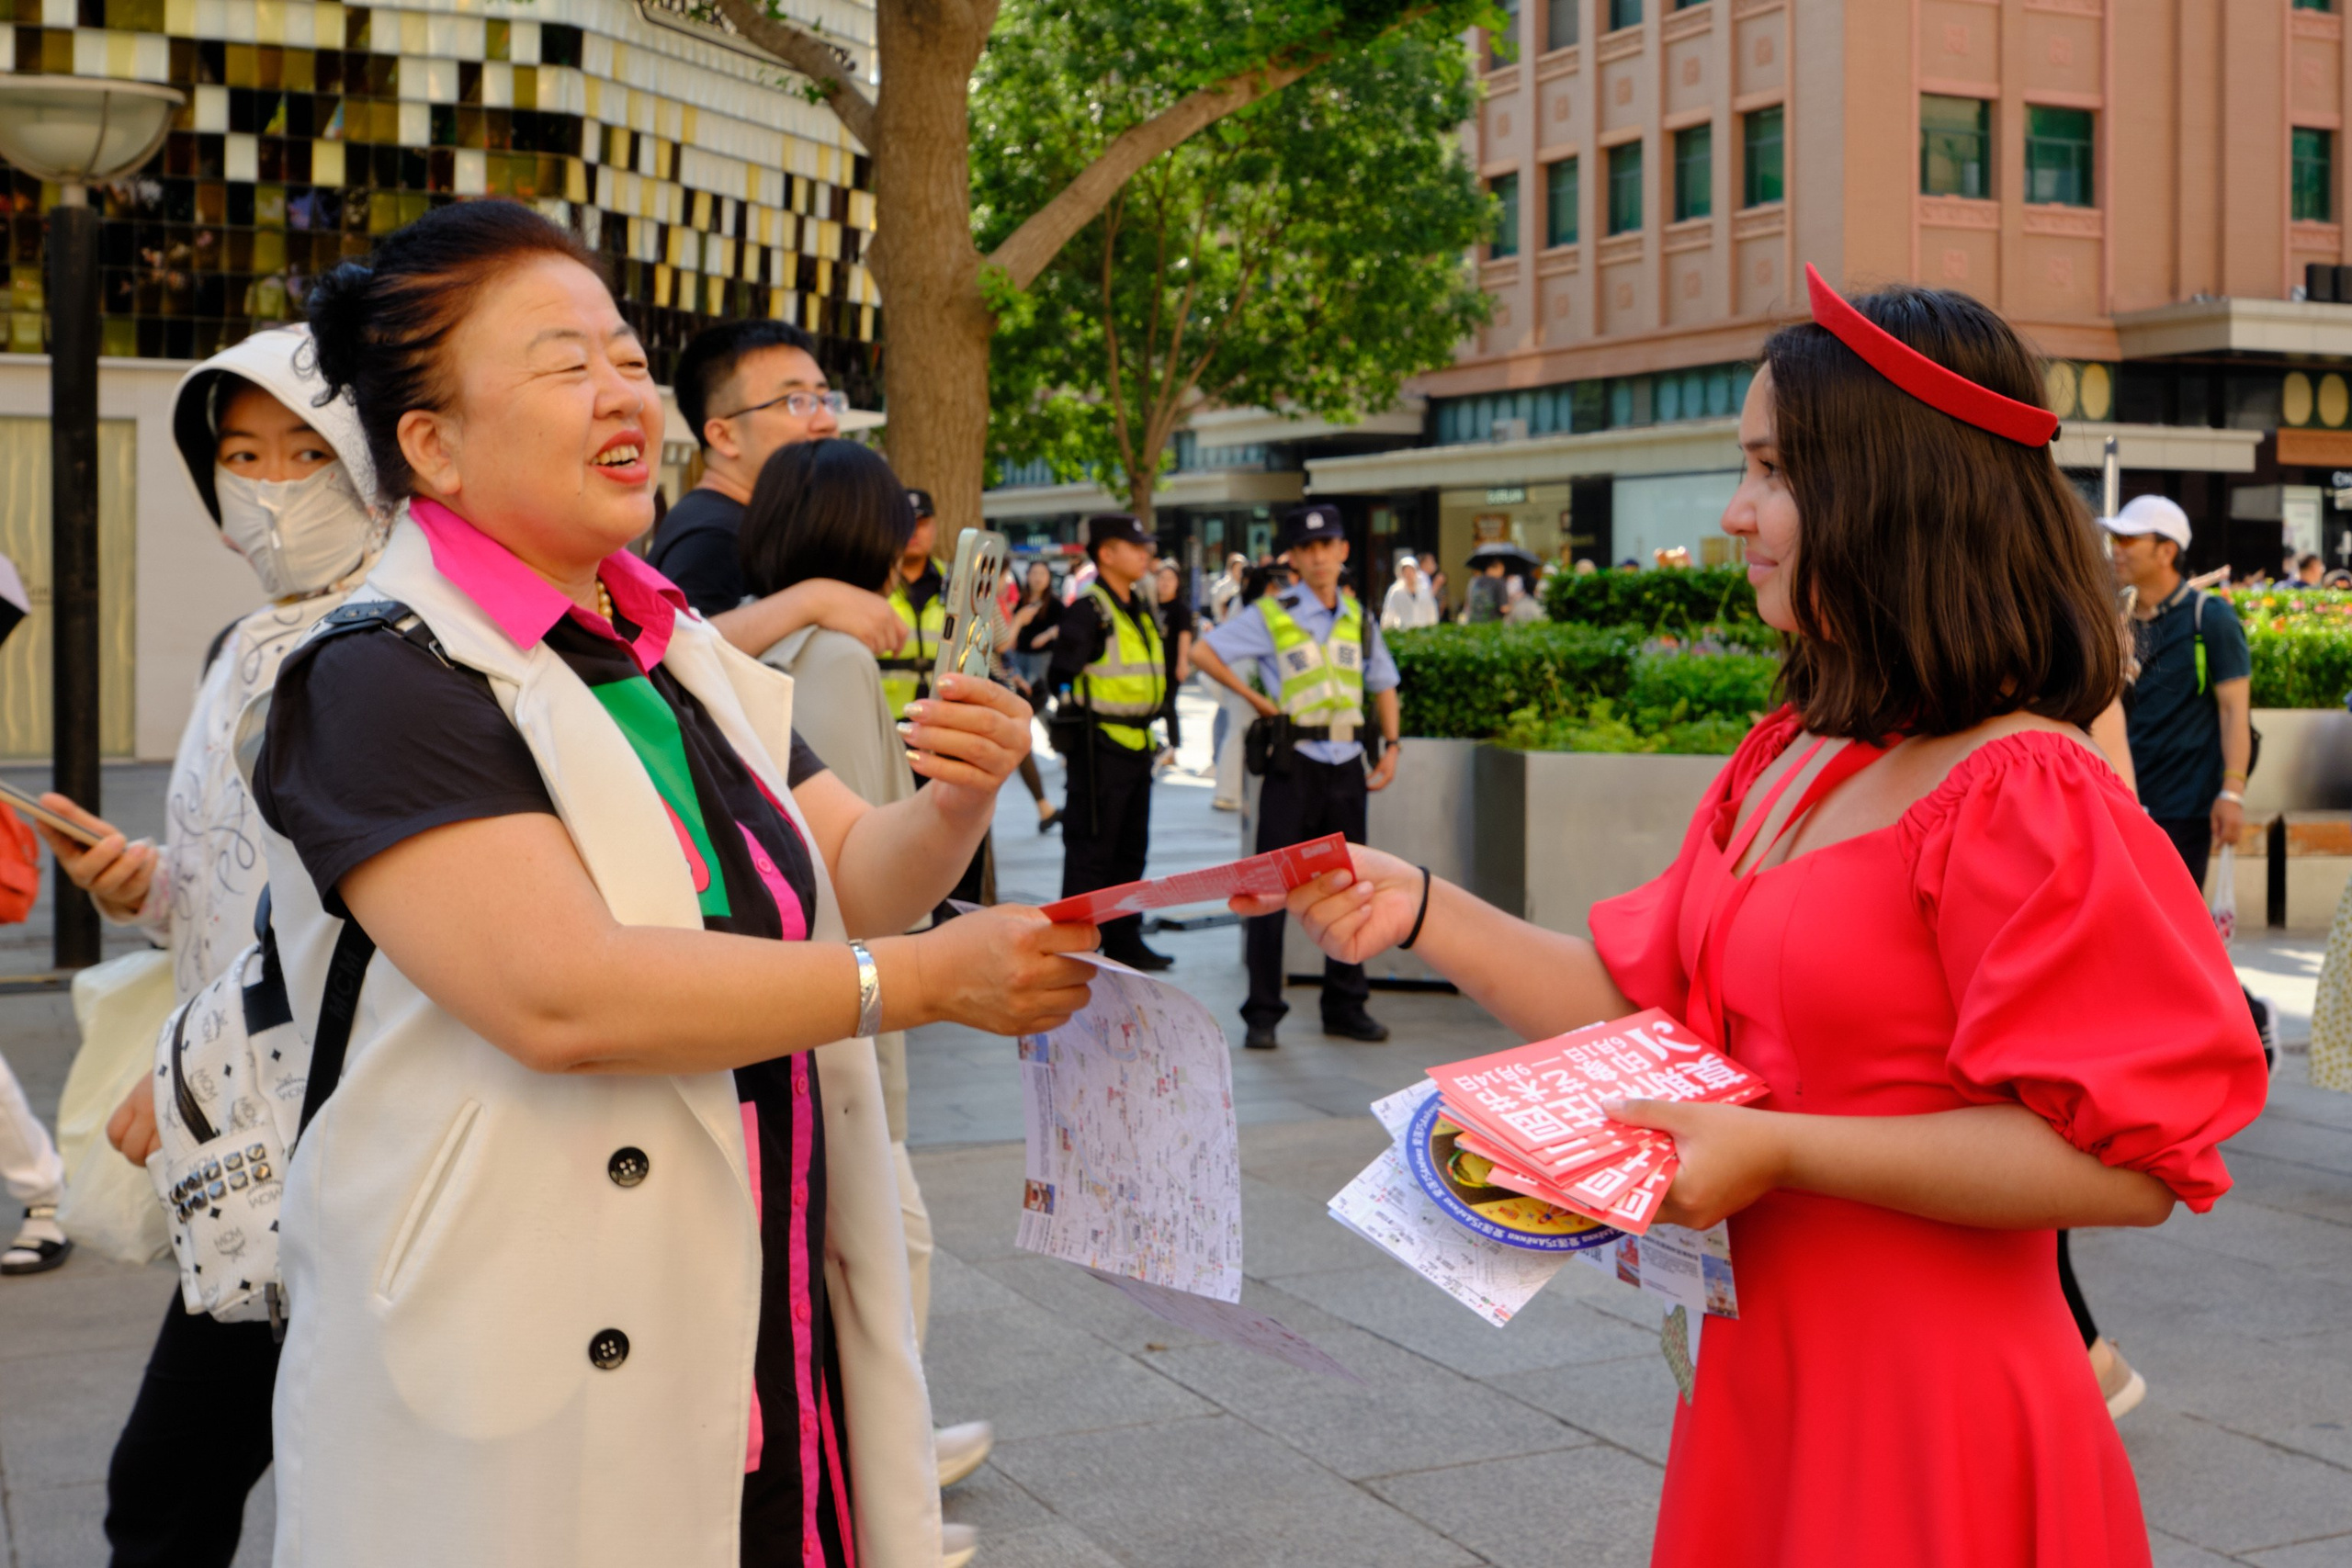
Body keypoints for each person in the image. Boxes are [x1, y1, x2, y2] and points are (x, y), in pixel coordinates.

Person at [1237, 268, 2268, 1568]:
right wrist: (1428, 907)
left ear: (1891, 488)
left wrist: (1783, 1154)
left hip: (1934, 1415)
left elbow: (2130, 1164)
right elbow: (1649, 1013)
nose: (1736, 512)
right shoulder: (1789, 750)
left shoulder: (2027, 786)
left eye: (1772, 470)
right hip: (1754, 1379)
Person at [273, 198, 1095, 1568]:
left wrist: (955, 795)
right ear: (432, 444)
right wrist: (924, 985)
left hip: (756, 1310)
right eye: (561, 362)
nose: (624, 395)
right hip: (527, 1333)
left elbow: (855, 876)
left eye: (626, 354)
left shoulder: (674, 651)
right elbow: (565, 994)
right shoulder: (382, 672)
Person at [27, 327, 389, 1568]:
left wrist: (192, 1076)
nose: (272, 483)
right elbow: (246, 883)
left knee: (177, 1483)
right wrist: (145, 883)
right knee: (194, 1478)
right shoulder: (241, 645)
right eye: (241, 452)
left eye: (308, 450)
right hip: (248, 1142)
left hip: (340, 1127)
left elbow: (366, 917)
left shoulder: (397, 640)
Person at [736, 437, 994, 1560]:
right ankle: (888, 1490)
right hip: (848, 1004)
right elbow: (843, 878)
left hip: (813, 1002)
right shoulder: (832, 657)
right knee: (886, 1253)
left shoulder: (760, 639)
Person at [1193, 503, 1400, 1048]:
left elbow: (1383, 681)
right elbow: (1203, 650)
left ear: (1342, 551)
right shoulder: (1272, 613)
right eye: (1307, 549)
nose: (1318, 557)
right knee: (1269, 890)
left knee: (1353, 887)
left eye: (1327, 545)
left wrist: (1393, 746)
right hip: (1293, 765)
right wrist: (1258, 700)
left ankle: (1346, 1005)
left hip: (1346, 765)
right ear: (1295, 557)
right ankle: (1262, 1013)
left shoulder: (1359, 616)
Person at [643, 318, 903, 661]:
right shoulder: (711, 534)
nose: (826, 421)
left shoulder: (754, 523)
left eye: (826, 400)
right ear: (724, 436)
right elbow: (672, 654)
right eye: (796, 401)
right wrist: (814, 600)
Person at [1048, 513, 1170, 971]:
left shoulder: (1136, 604)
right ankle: (1074, 947)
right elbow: (1061, 674)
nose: (1145, 554)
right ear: (1106, 554)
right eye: (1134, 546)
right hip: (1099, 750)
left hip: (1137, 747)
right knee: (1090, 853)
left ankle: (1124, 939)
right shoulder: (1089, 609)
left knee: (1130, 851)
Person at [1154, 560, 1195, 760]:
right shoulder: (1149, 606)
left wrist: (1182, 662)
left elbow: (1184, 636)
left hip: (1171, 665)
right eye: (1161, 578)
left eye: (1170, 579)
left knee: (1169, 704)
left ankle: (1173, 747)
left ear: (1178, 583)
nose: (1165, 583)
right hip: (1151, 667)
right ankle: (1157, 745)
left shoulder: (1181, 609)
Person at [1379, 551, 1440, 631]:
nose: (1409, 574)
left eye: (1411, 570)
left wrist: (1433, 630)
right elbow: (1389, 613)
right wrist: (1385, 630)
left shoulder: (1425, 590)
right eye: (1406, 571)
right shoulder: (1396, 591)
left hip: (1422, 632)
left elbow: (1432, 612)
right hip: (1403, 633)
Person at [1207, 552, 1250, 624]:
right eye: (1237, 568)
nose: (1239, 571)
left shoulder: (1248, 586)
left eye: (1242, 568)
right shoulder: (1221, 586)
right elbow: (1216, 609)